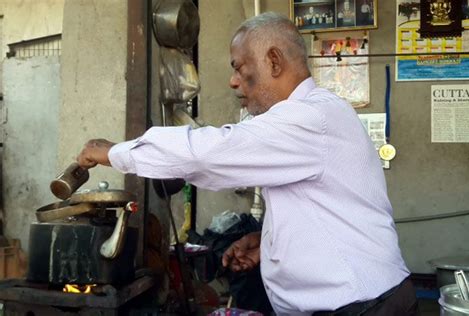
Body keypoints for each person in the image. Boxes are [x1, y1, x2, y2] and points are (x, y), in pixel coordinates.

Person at [76, 12, 418, 315]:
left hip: (363, 306)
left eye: (239, 67)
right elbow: (318, 208)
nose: (233, 81)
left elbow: (214, 151)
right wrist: (268, 241)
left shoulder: (311, 116)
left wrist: (116, 152)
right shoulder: (314, 116)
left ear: (273, 61)